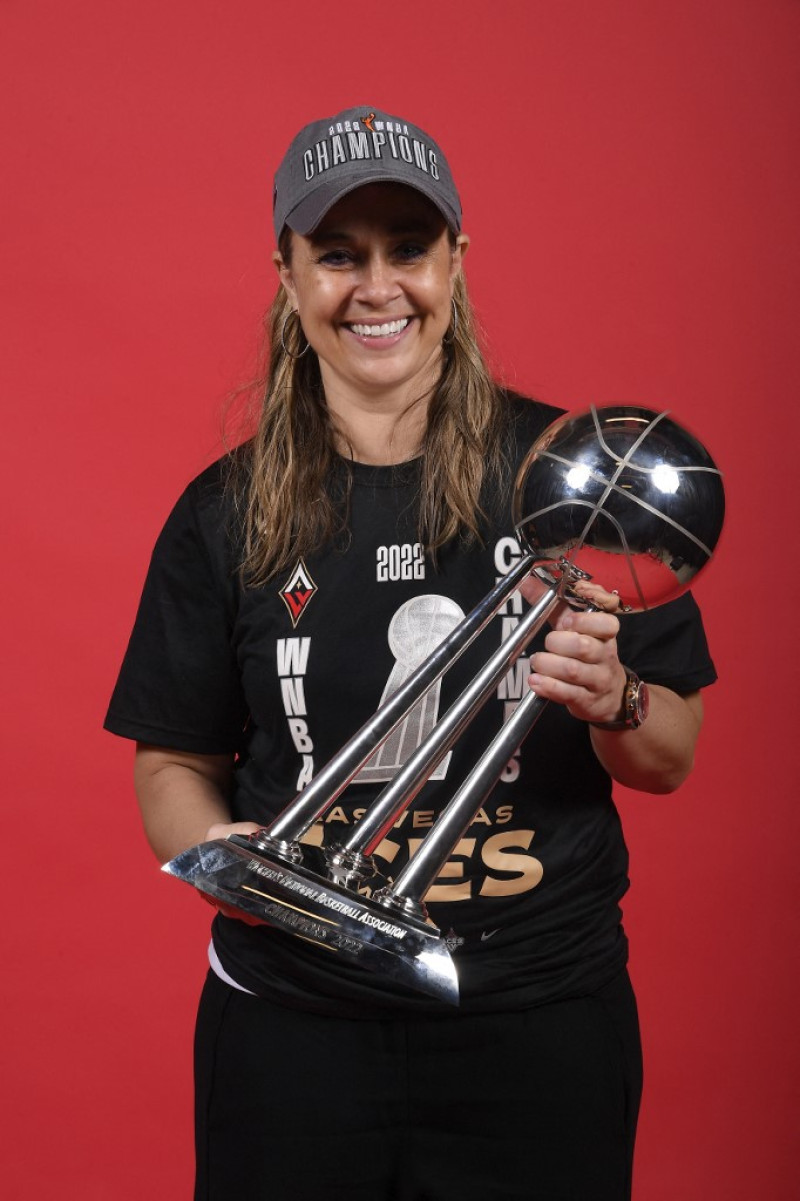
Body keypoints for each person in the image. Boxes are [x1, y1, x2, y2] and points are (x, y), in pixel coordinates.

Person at [105, 105, 716, 1201]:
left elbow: (667, 754)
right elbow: (170, 765)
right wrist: (235, 864)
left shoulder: (575, 482)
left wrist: (614, 697)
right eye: (337, 254)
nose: (375, 287)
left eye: (408, 250)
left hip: (534, 1022)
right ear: (288, 277)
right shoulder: (225, 513)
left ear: (456, 265)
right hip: (291, 1031)